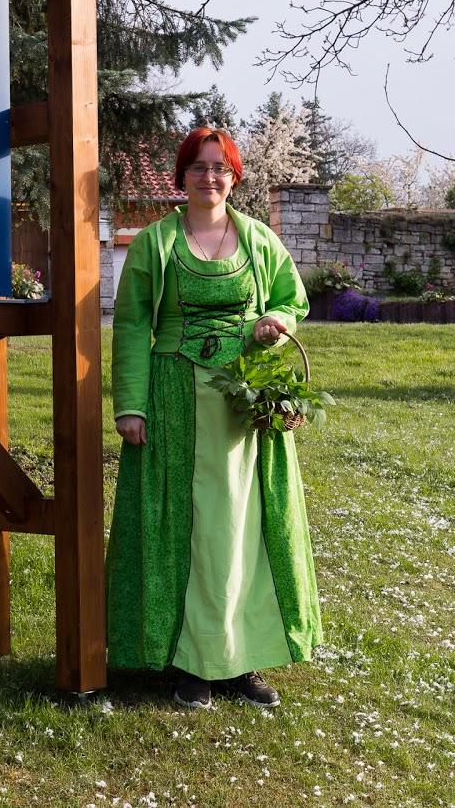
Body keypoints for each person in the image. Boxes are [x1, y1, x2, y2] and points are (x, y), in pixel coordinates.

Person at [105, 126, 322, 711]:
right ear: (182, 176)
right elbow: (130, 325)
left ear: (234, 176)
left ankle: (241, 657)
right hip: (174, 397)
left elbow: (291, 301)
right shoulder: (155, 243)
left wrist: (274, 326)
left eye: (220, 167)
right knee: (187, 525)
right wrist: (129, 403)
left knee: (243, 526)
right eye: (199, 167)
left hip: (244, 403)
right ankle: (190, 660)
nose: (210, 177)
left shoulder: (258, 240)